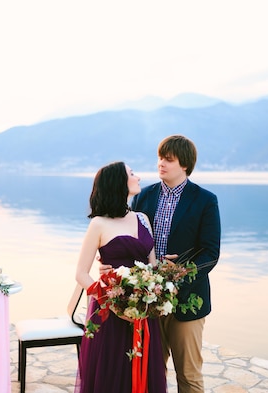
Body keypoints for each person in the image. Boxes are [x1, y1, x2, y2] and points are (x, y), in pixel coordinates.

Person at [103, 135, 221, 393]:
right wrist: (110, 266)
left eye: (168, 159)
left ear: (185, 165)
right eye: (160, 157)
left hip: (187, 301)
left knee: (188, 375)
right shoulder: (143, 197)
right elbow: (130, 240)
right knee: (150, 372)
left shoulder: (205, 200)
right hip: (147, 300)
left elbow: (211, 253)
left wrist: (180, 274)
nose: (161, 163)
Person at [75, 161, 167, 393]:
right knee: (113, 375)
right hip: (110, 313)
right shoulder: (99, 224)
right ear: (118, 182)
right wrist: (112, 301)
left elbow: (152, 267)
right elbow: (81, 274)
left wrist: (154, 291)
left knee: (145, 373)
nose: (138, 177)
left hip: (144, 311)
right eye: (132, 173)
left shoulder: (143, 219)